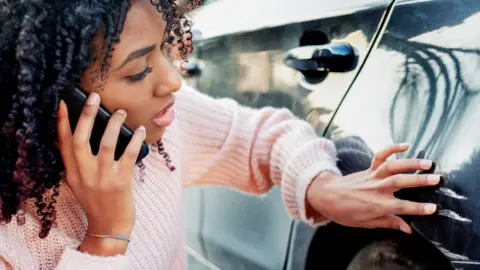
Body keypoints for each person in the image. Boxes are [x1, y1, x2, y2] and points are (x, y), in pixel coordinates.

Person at [0, 0, 441, 269]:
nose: (173, 81)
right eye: (138, 72)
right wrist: (105, 239)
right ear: (54, 96)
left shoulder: (159, 129)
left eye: (166, 50)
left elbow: (261, 136)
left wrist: (320, 186)